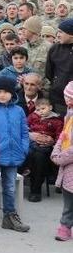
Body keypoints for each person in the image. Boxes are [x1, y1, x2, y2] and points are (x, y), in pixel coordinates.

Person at [0, 76, 31, 232]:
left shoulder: (18, 111)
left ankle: (9, 217)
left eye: (6, 91)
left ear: (12, 93)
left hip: (13, 156)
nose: (2, 95)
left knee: (10, 187)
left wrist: (23, 149)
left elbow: (25, 132)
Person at [26, 98, 64, 202]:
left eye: (43, 108)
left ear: (50, 107)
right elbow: (24, 128)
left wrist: (53, 144)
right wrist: (30, 135)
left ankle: (35, 191)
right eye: (38, 110)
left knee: (40, 155)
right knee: (29, 151)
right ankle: (26, 169)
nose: (40, 112)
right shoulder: (33, 117)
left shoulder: (57, 121)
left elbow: (59, 136)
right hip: (31, 143)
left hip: (46, 147)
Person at [50, 81, 73, 241]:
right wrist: (56, 151)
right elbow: (63, 136)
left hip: (68, 161)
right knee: (68, 202)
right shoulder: (69, 115)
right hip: (68, 168)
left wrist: (60, 158)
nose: (66, 100)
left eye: (68, 97)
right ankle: (64, 227)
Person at [46, 19, 73, 115]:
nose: (57, 35)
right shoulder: (54, 49)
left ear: (71, 34)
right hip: (58, 99)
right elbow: (49, 73)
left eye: (61, 32)